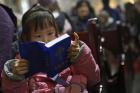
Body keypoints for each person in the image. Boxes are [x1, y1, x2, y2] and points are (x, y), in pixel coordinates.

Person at [2, 5, 100, 93]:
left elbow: (93, 78)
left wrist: (81, 55)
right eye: (38, 36)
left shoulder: (69, 48)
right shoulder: (22, 60)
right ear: (27, 38)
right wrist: (15, 77)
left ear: (56, 31)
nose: (46, 40)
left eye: (50, 33)